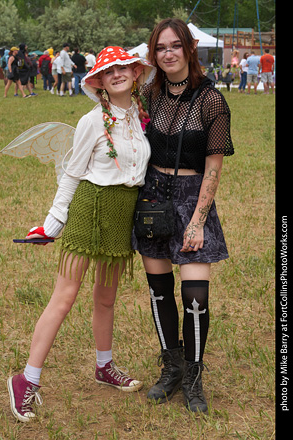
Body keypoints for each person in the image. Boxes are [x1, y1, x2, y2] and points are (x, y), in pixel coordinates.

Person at [7, 46, 156, 423]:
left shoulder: (140, 118)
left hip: (123, 213)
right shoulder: (93, 120)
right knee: (65, 296)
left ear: (136, 73)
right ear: (100, 82)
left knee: (106, 298)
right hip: (89, 208)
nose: (118, 74)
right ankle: (27, 379)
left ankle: (104, 367)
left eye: (124, 67)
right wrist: (53, 223)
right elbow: (72, 173)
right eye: (109, 72)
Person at [132, 18, 234, 413]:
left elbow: (214, 167)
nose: (168, 53)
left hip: (193, 197)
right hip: (152, 198)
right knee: (159, 291)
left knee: (195, 295)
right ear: (153, 53)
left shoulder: (211, 100)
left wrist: (197, 220)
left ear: (189, 48)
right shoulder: (149, 94)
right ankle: (170, 367)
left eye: (175, 46)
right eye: (160, 48)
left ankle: (193, 376)